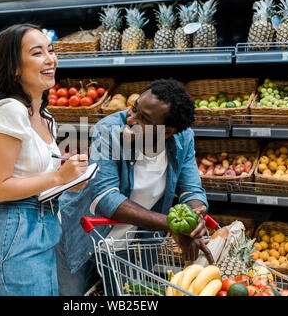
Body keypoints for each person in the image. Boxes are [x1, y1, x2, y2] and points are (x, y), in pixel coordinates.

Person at [55, 78, 214, 296]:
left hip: (129, 241)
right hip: (81, 233)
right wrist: (171, 224)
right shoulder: (108, 130)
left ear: (167, 131)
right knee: (70, 294)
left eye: (144, 119)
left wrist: (193, 219)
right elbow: (106, 198)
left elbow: (192, 190)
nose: (130, 119)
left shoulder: (182, 138)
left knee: (125, 295)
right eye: (134, 108)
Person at [0, 23, 88, 296]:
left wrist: (71, 180)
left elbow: (32, 176)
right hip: (16, 238)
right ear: (14, 67)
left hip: (45, 232)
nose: (50, 59)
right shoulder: (11, 110)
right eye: (37, 53)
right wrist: (58, 177)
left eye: (50, 50)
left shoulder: (46, 117)